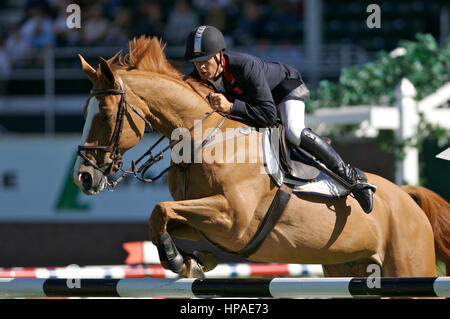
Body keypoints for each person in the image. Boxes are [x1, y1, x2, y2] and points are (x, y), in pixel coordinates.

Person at [184, 25, 375, 213]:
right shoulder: (198, 77)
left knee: (293, 131)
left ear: (219, 55)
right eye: (195, 61)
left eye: (206, 60)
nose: (201, 67)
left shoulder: (244, 66)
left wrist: (231, 107)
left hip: (284, 91)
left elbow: (267, 115)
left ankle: (352, 177)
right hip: (257, 104)